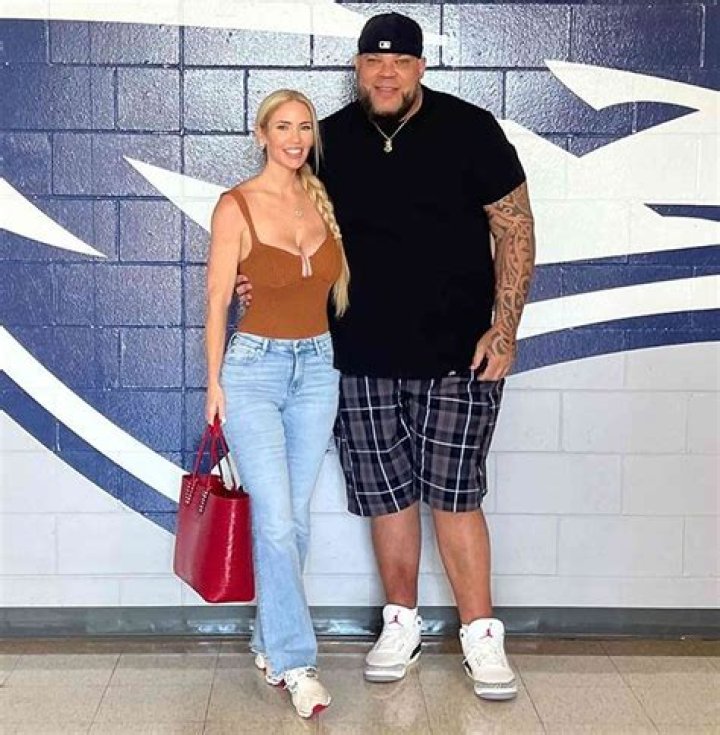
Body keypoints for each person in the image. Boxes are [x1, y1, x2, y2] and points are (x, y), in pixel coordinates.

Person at [238, 12, 535, 702]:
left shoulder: (470, 129)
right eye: (375, 61)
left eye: (400, 62)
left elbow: (515, 226)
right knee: (388, 496)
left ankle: (480, 634)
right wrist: (254, 279)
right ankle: (401, 623)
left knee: (455, 494)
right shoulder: (329, 141)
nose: (387, 73)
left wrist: (504, 329)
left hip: (460, 354)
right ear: (359, 67)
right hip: (358, 353)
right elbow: (286, 227)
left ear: (420, 67)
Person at [205, 88, 350, 718]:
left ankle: (268, 640)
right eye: (283, 127)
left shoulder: (323, 200)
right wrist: (214, 384)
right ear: (261, 134)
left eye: (304, 127)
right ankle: (297, 663)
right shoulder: (235, 205)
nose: (295, 138)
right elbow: (217, 299)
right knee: (275, 520)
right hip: (253, 373)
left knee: (296, 520)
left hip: (318, 369)